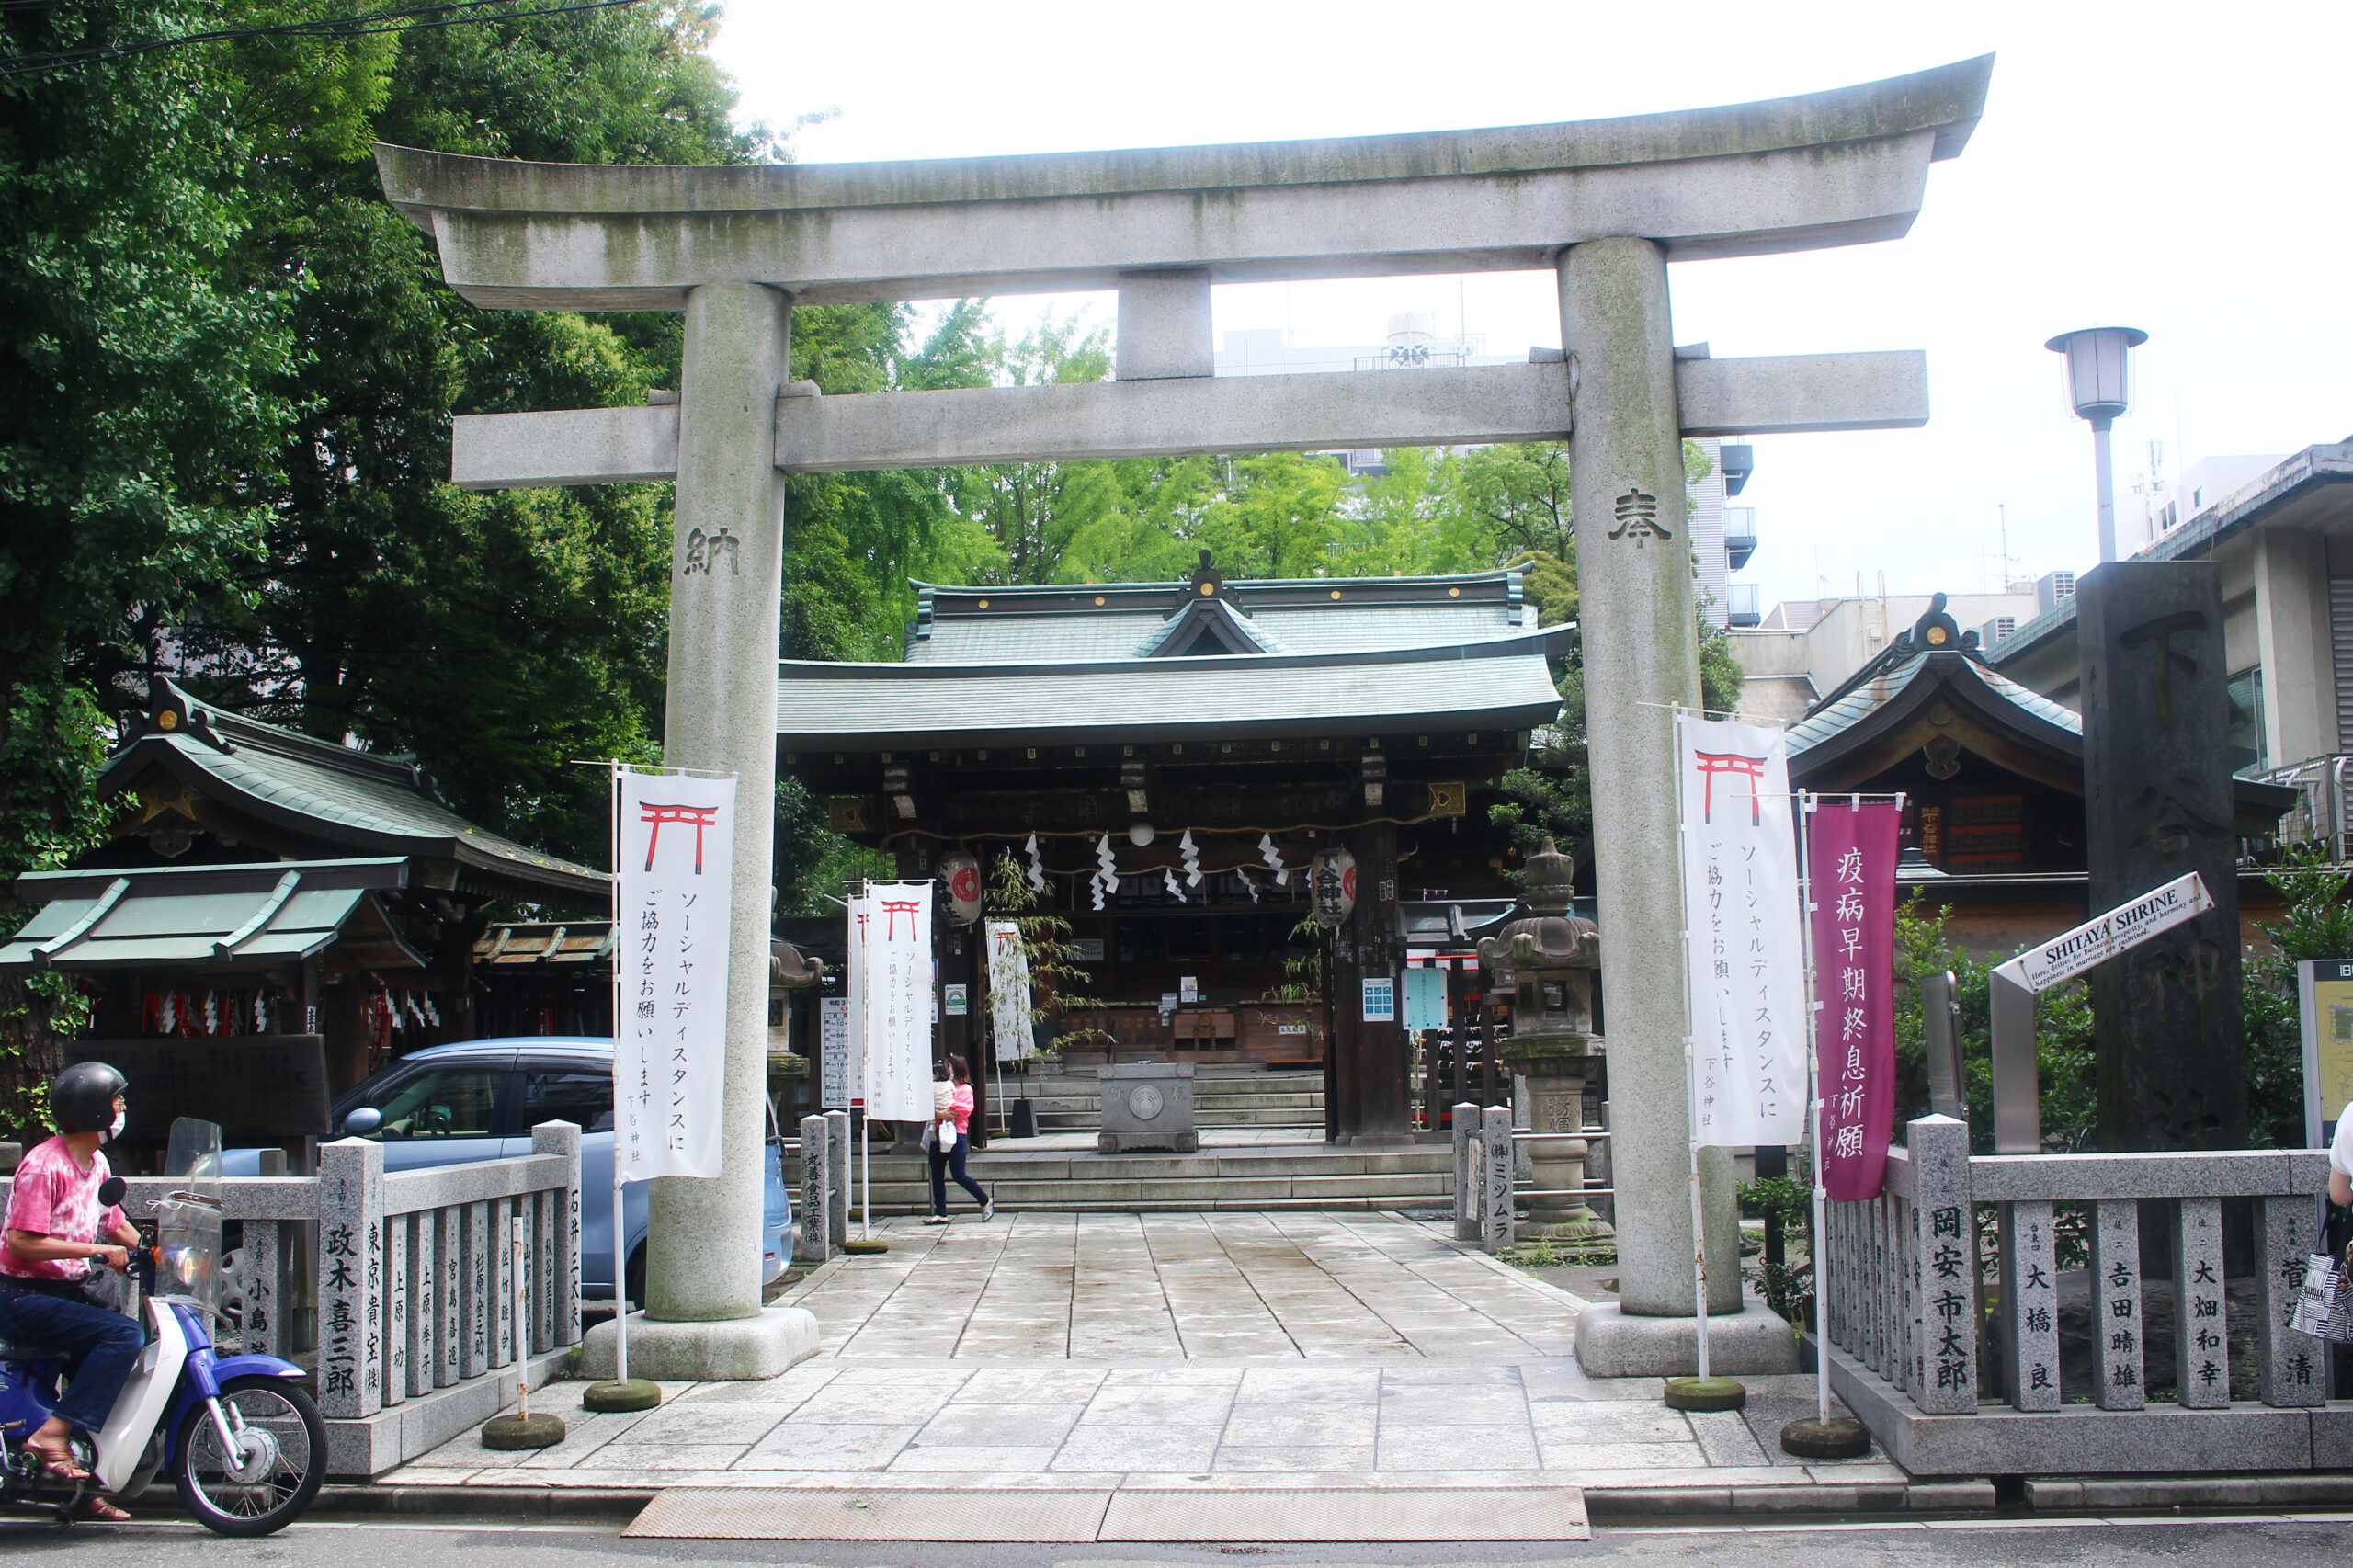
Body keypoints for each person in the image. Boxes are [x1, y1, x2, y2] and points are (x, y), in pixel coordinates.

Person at [0, 1062, 144, 1521]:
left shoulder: (96, 1162)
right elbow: (21, 1241)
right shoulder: (45, 1165)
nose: (122, 1108)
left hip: (65, 1292)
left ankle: (84, 1485)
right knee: (122, 1336)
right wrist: (96, 1251)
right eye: (116, 1100)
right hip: (22, 1297)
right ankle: (52, 1434)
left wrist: (158, 1253)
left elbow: (113, 1221)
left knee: (113, 1357)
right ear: (94, 1110)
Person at [924, 1055, 993, 1226]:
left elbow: (953, 1114)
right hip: (937, 1133)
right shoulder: (943, 1087)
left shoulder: (965, 1090)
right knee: (936, 1174)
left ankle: (985, 1200)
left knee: (959, 1174)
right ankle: (941, 1212)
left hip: (956, 1135)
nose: (948, 1070)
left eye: (950, 1067)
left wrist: (933, 1111)